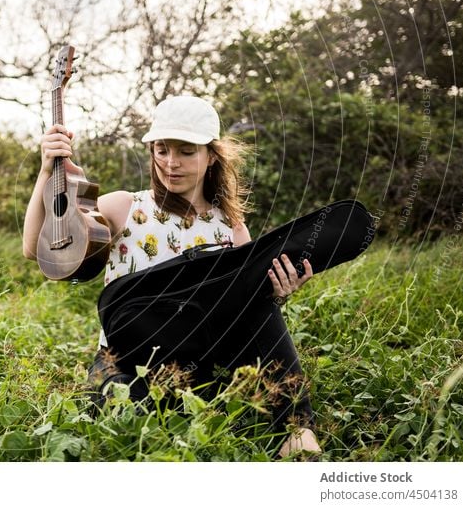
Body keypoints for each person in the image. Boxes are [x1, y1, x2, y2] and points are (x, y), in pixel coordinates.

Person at [22, 95, 321, 459]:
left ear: (211, 155)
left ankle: (297, 428)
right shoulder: (124, 207)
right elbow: (37, 247)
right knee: (122, 423)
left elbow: (242, 313)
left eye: (185, 151)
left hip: (198, 360)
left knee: (260, 309)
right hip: (126, 357)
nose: (170, 163)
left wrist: (278, 294)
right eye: (162, 150)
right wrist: (45, 171)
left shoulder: (230, 228)